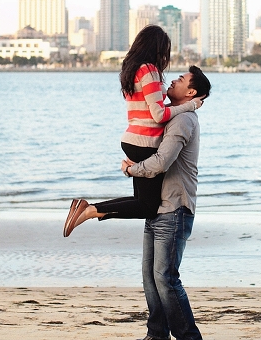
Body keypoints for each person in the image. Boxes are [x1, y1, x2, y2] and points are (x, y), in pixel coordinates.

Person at [63, 25, 201, 237]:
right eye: (165, 51)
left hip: (132, 140)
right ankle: (90, 210)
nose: (165, 57)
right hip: (145, 141)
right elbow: (159, 115)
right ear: (157, 49)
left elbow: (153, 106)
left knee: (141, 201)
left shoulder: (133, 70)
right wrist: (190, 106)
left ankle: (90, 209)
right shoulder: (150, 71)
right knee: (148, 207)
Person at [124, 66, 211, 340]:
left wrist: (132, 169)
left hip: (174, 208)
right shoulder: (172, 115)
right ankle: (157, 335)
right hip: (158, 207)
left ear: (191, 92)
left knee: (166, 277)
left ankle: (189, 337)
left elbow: (161, 163)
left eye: (181, 79)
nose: (173, 80)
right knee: (151, 277)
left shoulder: (183, 121)